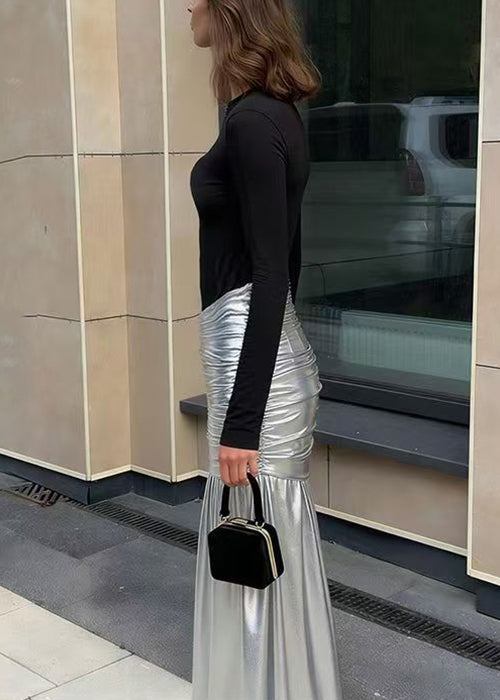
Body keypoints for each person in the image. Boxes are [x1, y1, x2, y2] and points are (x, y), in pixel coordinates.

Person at [187, 1, 344, 698]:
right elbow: (287, 263)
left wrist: (243, 421)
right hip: (261, 363)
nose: (187, 6)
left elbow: (273, 272)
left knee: (253, 549)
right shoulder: (269, 115)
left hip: (257, 379)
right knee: (261, 549)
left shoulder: (253, 121)